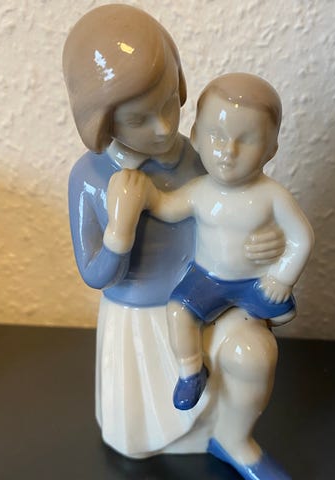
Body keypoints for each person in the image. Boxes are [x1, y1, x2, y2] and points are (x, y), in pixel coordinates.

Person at [63, 5, 290, 479]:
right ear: (101, 123)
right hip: (137, 321)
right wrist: (120, 231)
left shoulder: (200, 155)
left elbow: (241, 205)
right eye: (139, 119)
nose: (165, 127)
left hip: (211, 301)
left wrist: (266, 241)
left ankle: (234, 438)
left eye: (169, 103)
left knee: (253, 356)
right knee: (136, 439)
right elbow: (94, 273)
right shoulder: (89, 179)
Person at [117, 73, 314, 415]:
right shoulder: (200, 191)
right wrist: (147, 195)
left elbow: (302, 237)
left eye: (247, 140)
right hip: (206, 279)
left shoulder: (272, 196)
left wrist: (282, 276)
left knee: (282, 312)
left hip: (253, 281)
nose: (228, 151)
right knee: (178, 311)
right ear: (195, 136)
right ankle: (191, 371)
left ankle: (260, 317)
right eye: (216, 135)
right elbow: (168, 207)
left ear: (271, 149)